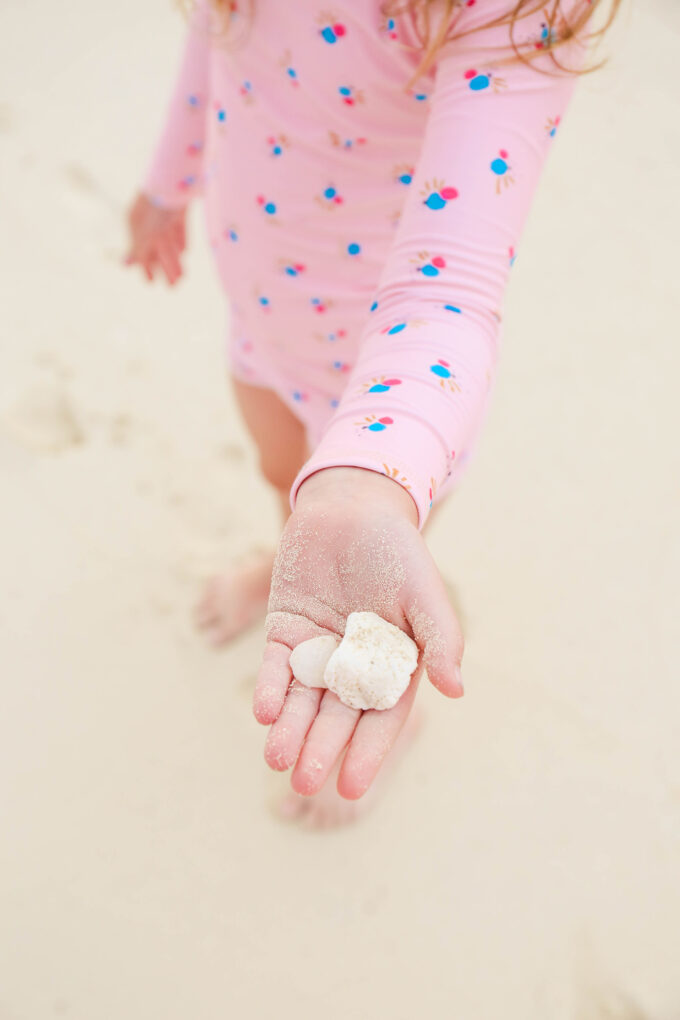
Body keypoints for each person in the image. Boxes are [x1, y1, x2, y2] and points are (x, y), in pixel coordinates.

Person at [125, 0, 618, 827]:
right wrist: (167, 182)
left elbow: (453, 288)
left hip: (395, 390)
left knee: (363, 530)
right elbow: (212, 33)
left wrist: (368, 482)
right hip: (263, 310)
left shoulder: (512, 11)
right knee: (282, 474)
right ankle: (284, 551)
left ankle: (392, 683)